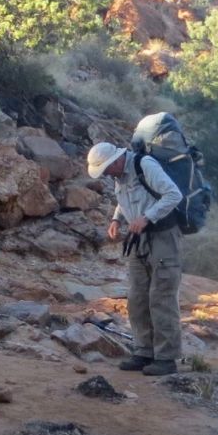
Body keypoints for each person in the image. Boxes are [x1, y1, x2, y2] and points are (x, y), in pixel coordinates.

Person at [87, 141, 183, 376]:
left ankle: (166, 358)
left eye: (106, 169)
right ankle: (143, 352)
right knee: (137, 298)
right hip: (138, 238)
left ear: (116, 160)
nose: (106, 174)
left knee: (161, 297)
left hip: (163, 237)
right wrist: (116, 219)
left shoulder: (145, 165)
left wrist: (147, 217)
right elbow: (125, 200)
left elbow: (174, 195)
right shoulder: (119, 175)